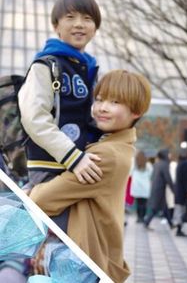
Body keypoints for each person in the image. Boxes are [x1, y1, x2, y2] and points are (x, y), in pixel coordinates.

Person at [30, 69, 152, 283]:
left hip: (82, 263)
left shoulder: (105, 155)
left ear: (136, 111)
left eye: (115, 102)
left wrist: (28, 190)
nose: (102, 108)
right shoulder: (118, 146)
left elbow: (40, 201)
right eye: (99, 99)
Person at [18, 0, 103, 231]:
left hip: (80, 171)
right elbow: (35, 119)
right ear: (56, 25)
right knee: (56, 242)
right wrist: (73, 158)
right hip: (52, 170)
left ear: (95, 26)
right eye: (70, 17)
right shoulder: (46, 65)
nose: (79, 24)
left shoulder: (89, 68)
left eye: (87, 18)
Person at [144, 148, 174, 229]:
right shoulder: (164, 164)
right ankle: (146, 223)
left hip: (156, 188)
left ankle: (171, 224)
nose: (170, 155)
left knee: (165, 207)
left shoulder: (157, 163)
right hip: (160, 189)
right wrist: (173, 189)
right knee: (155, 208)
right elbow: (168, 178)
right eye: (169, 154)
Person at [130, 150, 152, 223]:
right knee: (144, 203)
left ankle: (139, 217)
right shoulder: (148, 165)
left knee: (138, 203)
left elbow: (130, 173)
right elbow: (150, 174)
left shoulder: (134, 164)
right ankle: (143, 217)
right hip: (145, 186)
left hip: (137, 186)